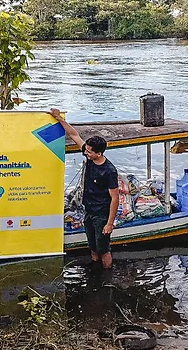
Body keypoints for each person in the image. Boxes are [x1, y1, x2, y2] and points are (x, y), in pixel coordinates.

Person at [50, 108, 118, 269]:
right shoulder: (89, 154)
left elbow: (115, 198)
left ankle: (107, 275)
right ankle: (94, 269)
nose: (86, 153)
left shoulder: (109, 171)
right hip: (88, 210)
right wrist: (59, 118)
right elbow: (74, 135)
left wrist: (109, 223)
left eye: (89, 152)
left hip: (101, 213)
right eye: (86, 150)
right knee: (92, 246)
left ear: (99, 153)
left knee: (103, 249)